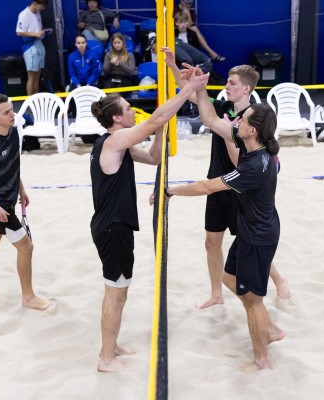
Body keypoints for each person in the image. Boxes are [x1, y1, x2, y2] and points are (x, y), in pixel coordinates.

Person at [90, 69, 209, 372]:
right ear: (116, 118)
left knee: (119, 289)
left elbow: (155, 158)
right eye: (128, 109)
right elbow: (155, 118)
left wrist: (160, 130)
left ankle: (110, 346)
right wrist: (188, 90)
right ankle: (106, 359)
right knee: (115, 291)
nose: (133, 111)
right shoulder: (115, 141)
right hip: (113, 228)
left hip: (114, 225)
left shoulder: (118, 144)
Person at [167, 66, 285, 371]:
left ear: (252, 130)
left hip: (258, 235)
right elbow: (210, 119)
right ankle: (269, 327)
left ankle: (261, 359)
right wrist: (197, 85)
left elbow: (207, 187)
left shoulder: (253, 165)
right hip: (250, 229)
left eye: (242, 120)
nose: (237, 121)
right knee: (229, 278)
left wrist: (170, 191)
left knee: (253, 300)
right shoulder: (251, 141)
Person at [0, 93, 52, 311]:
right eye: (6, 112)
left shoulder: (13, 132)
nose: (12, 114)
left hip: (9, 197)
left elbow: (13, 165)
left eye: (11, 109)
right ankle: (28, 297)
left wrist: (21, 189)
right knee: (26, 247)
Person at [16, 0, 51, 96]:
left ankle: (36, 99)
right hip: (30, 47)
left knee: (37, 76)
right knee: (31, 77)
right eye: (42, 6)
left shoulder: (38, 13)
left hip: (39, 45)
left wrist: (44, 31)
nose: (43, 8)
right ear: (35, 3)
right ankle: (30, 101)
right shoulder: (24, 14)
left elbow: (38, 30)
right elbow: (19, 32)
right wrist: (35, 34)